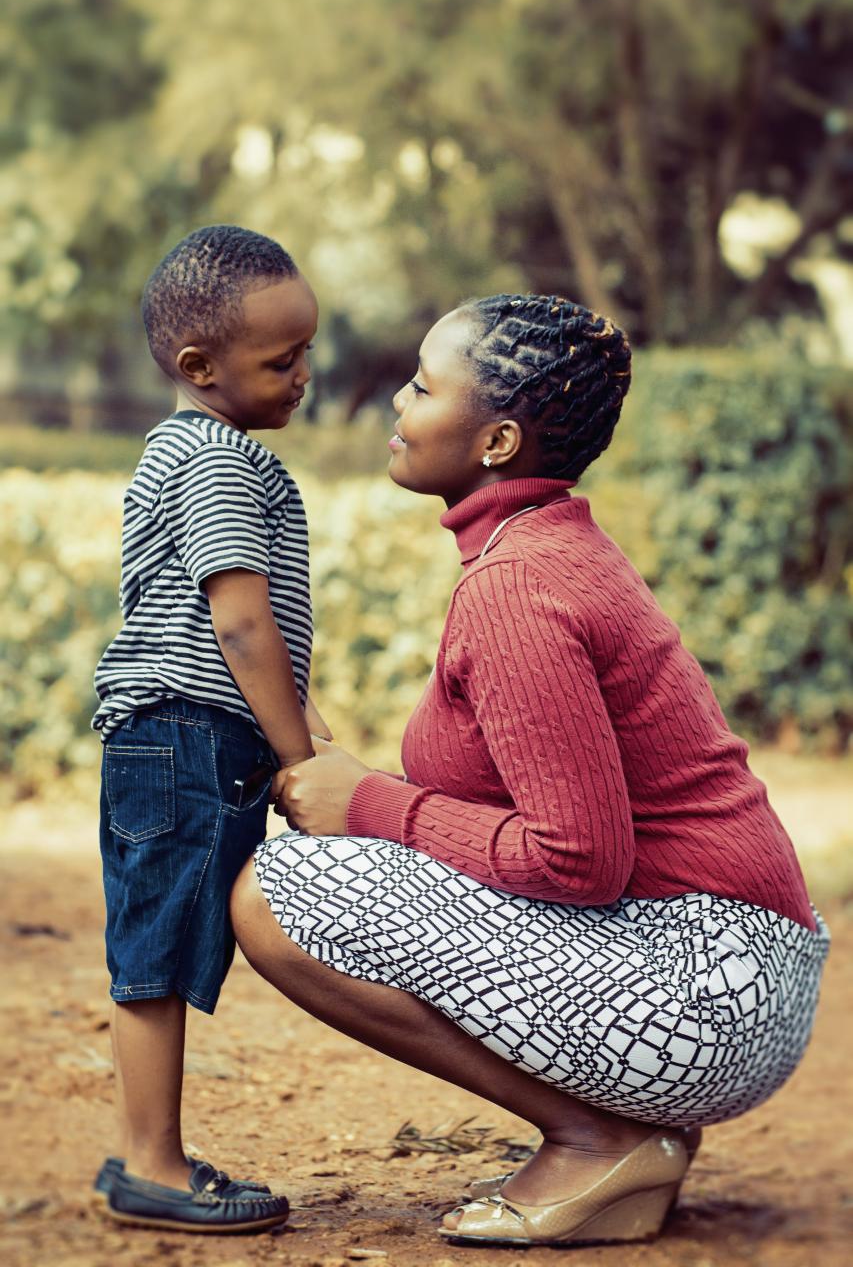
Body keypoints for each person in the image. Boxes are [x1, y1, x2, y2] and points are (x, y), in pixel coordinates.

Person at [229, 292, 830, 1248]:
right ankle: (622, 1136)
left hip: (709, 990)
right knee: (325, 871)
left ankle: (598, 1139)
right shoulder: (540, 549)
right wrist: (358, 788)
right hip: (725, 963)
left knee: (279, 895)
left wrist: (372, 803)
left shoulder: (515, 586)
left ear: (498, 442)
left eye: (424, 387)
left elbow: (576, 858)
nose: (397, 402)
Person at [91, 225, 330, 1232]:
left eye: (306, 351)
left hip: (182, 736)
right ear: (201, 368)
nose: (306, 376)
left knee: (166, 937)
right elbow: (239, 618)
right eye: (283, 360)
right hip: (186, 735)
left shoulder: (191, 453)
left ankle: (155, 1153)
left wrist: (306, 727)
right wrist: (301, 755)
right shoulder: (219, 461)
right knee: (156, 946)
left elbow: (254, 631)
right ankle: (152, 1161)